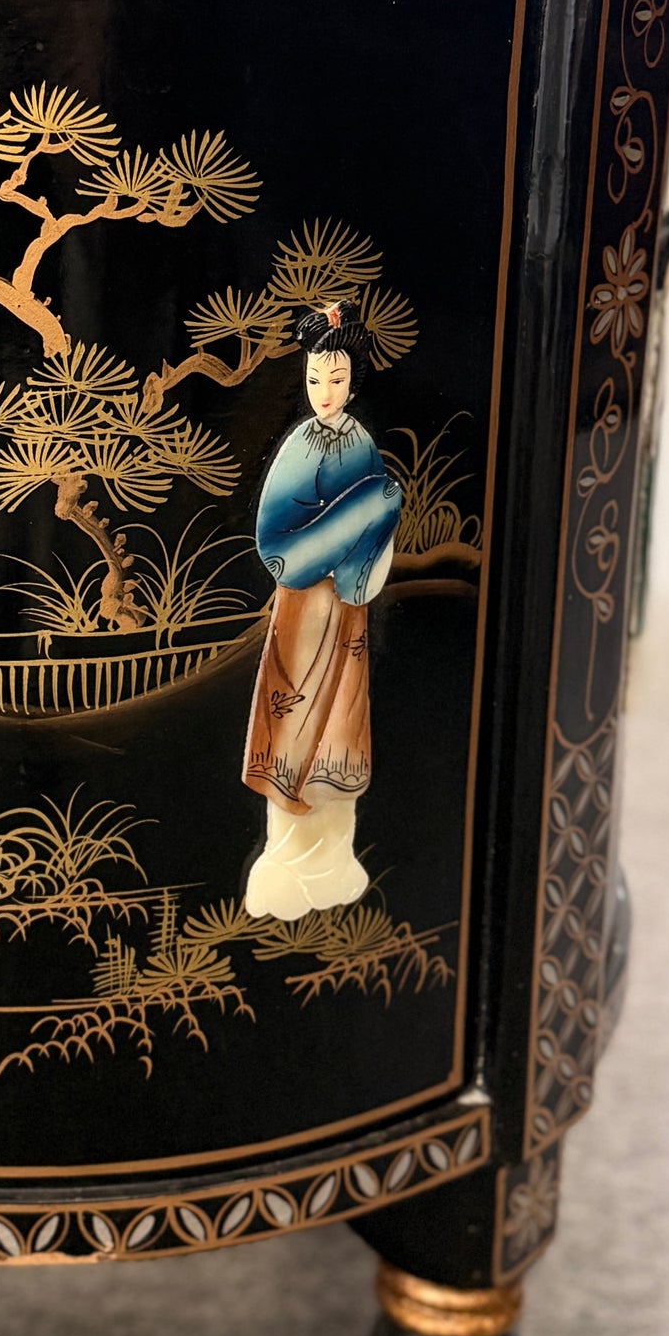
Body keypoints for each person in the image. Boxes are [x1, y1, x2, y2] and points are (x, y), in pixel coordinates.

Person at [241, 303, 402, 919]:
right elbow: (274, 535)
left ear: (353, 382)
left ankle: (334, 855)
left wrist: (357, 559)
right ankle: (283, 854)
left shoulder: (357, 439)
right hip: (303, 593)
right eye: (314, 379)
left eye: (335, 379)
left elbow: (374, 521)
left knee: (339, 710)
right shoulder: (299, 445)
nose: (324, 391)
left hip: (346, 603)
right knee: (294, 711)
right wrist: (335, 542)